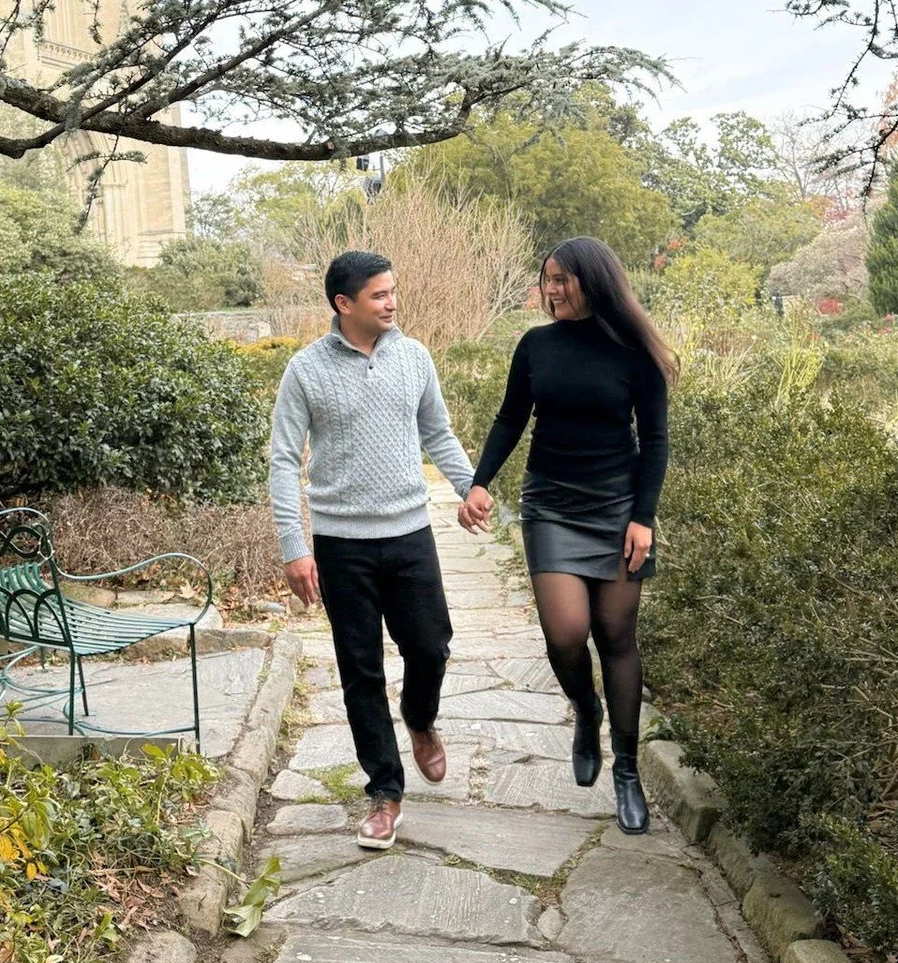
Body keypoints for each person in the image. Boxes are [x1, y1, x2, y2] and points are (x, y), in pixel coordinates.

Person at [460, 237, 675, 835]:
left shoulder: (635, 352)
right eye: (547, 278)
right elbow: (511, 417)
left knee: (616, 636)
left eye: (563, 280)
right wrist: (480, 483)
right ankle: (586, 709)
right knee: (566, 635)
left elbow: (654, 441)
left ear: (594, 281)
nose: (551, 289)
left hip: (617, 508)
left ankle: (627, 773)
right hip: (551, 504)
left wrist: (643, 518)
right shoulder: (536, 346)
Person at [270, 249, 476, 850]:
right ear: (345, 303)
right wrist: (294, 546)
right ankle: (384, 793)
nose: (392, 302)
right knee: (361, 670)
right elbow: (285, 461)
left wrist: (470, 489)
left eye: (392, 292)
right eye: (380, 295)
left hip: (410, 534)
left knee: (431, 647)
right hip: (340, 545)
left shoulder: (413, 357)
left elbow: (437, 430)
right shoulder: (305, 371)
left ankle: (419, 720)